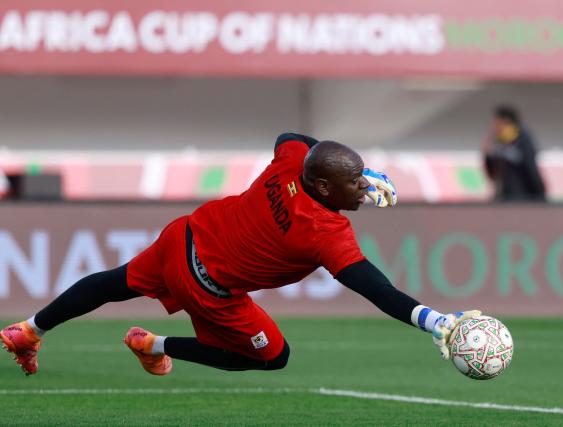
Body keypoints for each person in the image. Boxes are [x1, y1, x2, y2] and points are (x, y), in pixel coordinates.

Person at [1, 133, 479, 376]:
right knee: (273, 358)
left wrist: (361, 166)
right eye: (355, 181)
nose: (365, 189)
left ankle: (29, 330)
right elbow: (375, 288)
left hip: (185, 235)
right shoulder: (326, 231)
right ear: (321, 185)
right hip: (207, 287)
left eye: (363, 177)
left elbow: (289, 136)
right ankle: (153, 346)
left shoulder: (294, 162)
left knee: (114, 282)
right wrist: (432, 320)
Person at [482, 105, 547, 202]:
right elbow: (493, 174)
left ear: (506, 121)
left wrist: (540, 194)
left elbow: (531, 168)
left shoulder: (523, 139)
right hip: (504, 198)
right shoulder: (499, 143)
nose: (494, 126)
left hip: (522, 199)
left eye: (497, 122)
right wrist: (487, 155)